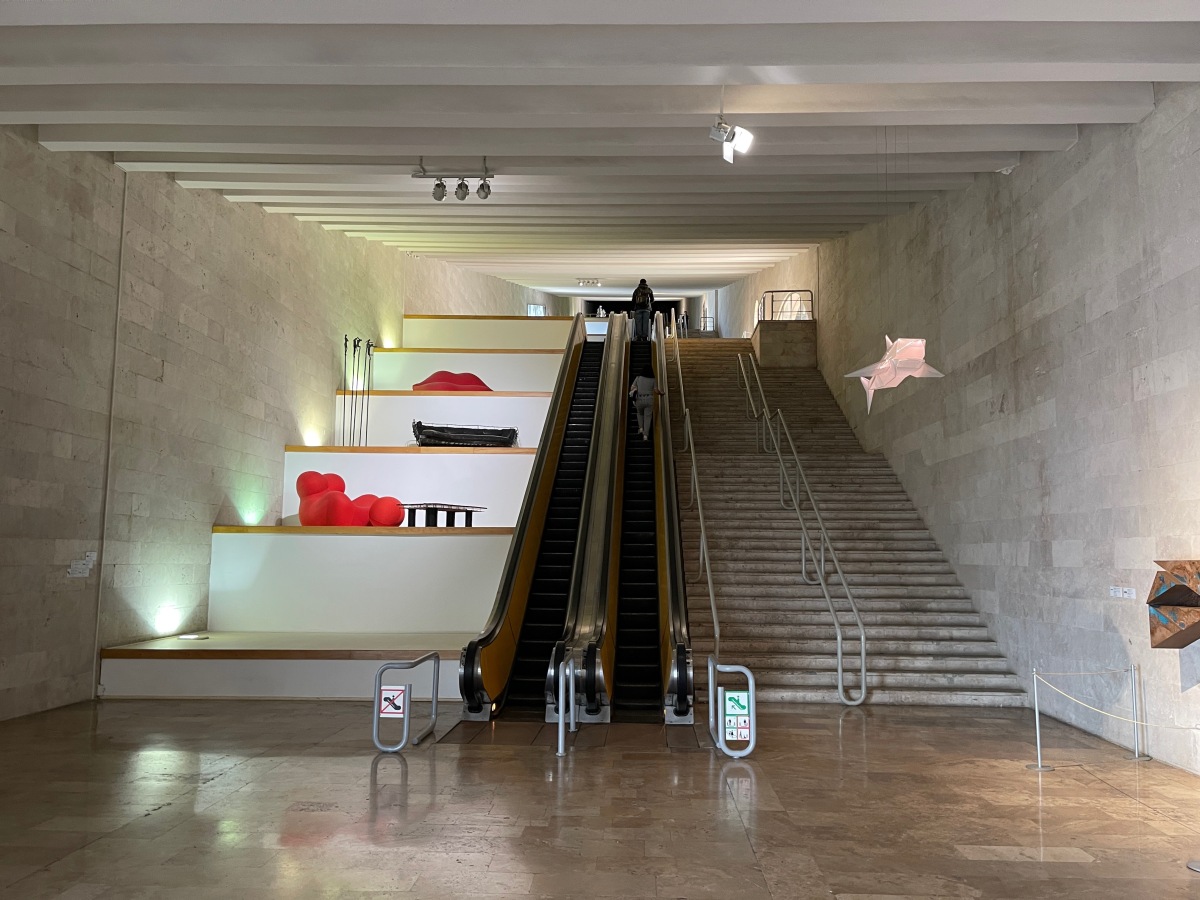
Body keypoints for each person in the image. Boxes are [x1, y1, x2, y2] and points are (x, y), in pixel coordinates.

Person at [628, 364, 665, 441]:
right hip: (649, 399)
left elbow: (632, 387)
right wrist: (661, 393)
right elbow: (656, 391)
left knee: (639, 413)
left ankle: (641, 428)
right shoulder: (653, 379)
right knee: (647, 417)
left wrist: (637, 388)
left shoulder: (638, 378)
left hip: (639, 398)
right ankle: (645, 436)